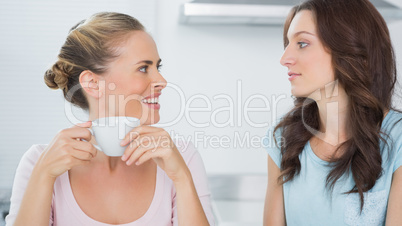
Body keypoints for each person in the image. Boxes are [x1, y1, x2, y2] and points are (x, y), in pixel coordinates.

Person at [6, 12, 214, 226]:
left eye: (157, 67)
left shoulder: (181, 157)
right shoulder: (39, 162)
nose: (162, 81)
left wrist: (182, 178)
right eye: (143, 68)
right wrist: (44, 175)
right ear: (93, 84)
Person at [263, 0, 402, 225]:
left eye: (302, 43)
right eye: (288, 43)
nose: (284, 58)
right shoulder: (283, 139)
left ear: (350, 47)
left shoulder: (397, 139)